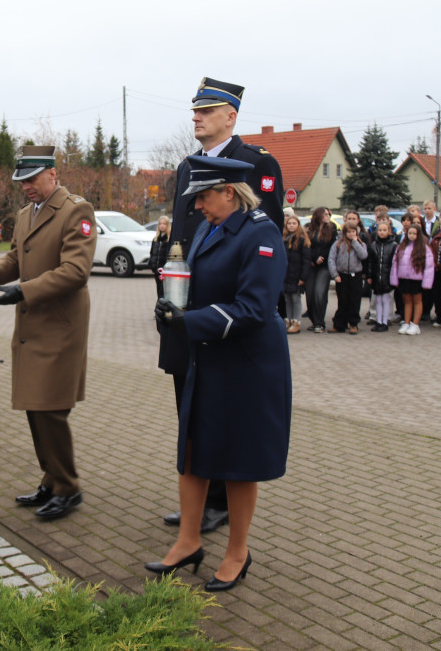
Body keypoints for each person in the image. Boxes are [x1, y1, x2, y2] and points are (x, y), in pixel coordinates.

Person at [150, 155, 291, 592]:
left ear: (230, 191)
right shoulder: (211, 229)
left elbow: (253, 309)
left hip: (245, 364)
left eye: (205, 197)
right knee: (192, 451)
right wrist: (173, 300)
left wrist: (189, 321)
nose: (198, 207)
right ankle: (188, 542)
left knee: (237, 463)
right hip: (208, 358)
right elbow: (196, 283)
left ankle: (237, 552)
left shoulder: (261, 234)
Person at [157, 77, 284, 533]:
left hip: (222, 313)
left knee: (222, 410)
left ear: (230, 116)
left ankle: (218, 503)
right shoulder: (188, 167)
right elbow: (180, 236)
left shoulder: (254, 164)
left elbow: (259, 237)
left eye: (206, 110)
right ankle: (198, 500)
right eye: (195, 111)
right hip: (185, 308)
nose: (196, 117)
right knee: (187, 402)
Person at [0, 145, 96, 521]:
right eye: (21, 181)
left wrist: (22, 290)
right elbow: (16, 257)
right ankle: (51, 479)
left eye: (32, 179)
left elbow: (76, 271)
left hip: (60, 325)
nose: (26, 187)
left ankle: (69, 487)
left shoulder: (76, 210)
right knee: (35, 405)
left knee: (50, 409)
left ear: (52, 174)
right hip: (33, 323)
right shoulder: (24, 213)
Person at [390, 224, 433, 335]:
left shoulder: (424, 248)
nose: (412, 235)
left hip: (417, 279)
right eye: (410, 233)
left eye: (414, 233)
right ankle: (407, 322)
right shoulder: (401, 247)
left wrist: (427, 282)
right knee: (407, 300)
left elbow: (429, 266)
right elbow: (395, 264)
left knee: (417, 301)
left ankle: (415, 324)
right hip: (404, 278)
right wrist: (395, 278)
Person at [327, 221, 369, 334]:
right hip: (342, 275)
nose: (350, 234)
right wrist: (335, 274)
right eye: (348, 232)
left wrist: (355, 243)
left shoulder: (361, 244)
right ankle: (340, 324)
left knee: (354, 301)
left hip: (356, 275)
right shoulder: (338, 244)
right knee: (342, 300)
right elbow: (331, 259)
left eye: (353, 231)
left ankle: (353, 323)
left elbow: (363, 255)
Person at [304, 207, 335, 333]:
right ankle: (313, 319)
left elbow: (332, 248)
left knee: (319, 292)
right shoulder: (310, 230)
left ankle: (319, 322)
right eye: (325, 214)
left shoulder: (332, 230)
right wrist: (313, 258)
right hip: (312, 265)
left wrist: (322, 257)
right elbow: (306, 246)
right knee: (310, 294)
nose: (327, 216)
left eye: (328, 214)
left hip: (324, 266)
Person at [367, 219, 397, 332]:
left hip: (387, 277)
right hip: (376, 277)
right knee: (378, 300)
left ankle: (385, 322)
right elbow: (370, 262)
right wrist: (369, 276)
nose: (382, 232)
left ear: (389, 231)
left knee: (386, 299)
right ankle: (378, 321)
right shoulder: (374, 245)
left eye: (385, 230)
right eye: (380, 230)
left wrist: (394, 277)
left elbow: (395, 263)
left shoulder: (394, 245)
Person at [282, 214, 310, 334]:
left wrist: (303, 276)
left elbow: (306, 260)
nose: (291, 226)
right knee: (287, 298)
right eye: (289, 223)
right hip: (286, 274)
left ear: (298, 225)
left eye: (294, 223)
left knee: (295, 298)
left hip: (297, 274)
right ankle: (288, 320)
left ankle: (296, 322)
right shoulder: (284, 239)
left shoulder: (302, 239)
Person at [148, 215, 171, 300]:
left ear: (167, 225)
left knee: (164, 291)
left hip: (165, 271)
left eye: (164, 224)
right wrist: (151, 264)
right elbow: (152, 253)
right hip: (157, 270)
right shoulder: (155, 239)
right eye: (160, 224)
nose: (162, 225)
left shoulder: (169, 239)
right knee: (158, 290)